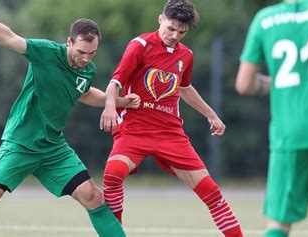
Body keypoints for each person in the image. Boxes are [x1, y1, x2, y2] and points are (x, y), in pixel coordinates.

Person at [0, 3, 141, 237]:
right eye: (81, 52)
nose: (86, 59)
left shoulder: (87, 70)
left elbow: (85, 93)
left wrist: (119, 102)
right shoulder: (46, 52)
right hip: (21, 142)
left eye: (92, 53)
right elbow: (9, 38)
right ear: (69, 42)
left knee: (93, 197)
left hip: (53, 148)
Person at [99, 0, 243, 236]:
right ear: (160, 20)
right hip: (135, 129)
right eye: (171, 28)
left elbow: (185, 88)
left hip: (170, 134)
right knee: (113, 174)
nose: (175, 35)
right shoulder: (140, 45)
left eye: (181, 32)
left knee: (212, 193)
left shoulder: (186, 55)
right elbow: (116, 82)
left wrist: (212, 115)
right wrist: (109, 106)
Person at [235, 0, 308, 236]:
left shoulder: (264, 19)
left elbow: (244, 84)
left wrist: (274, 84)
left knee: (279, 222)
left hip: (288, 134)